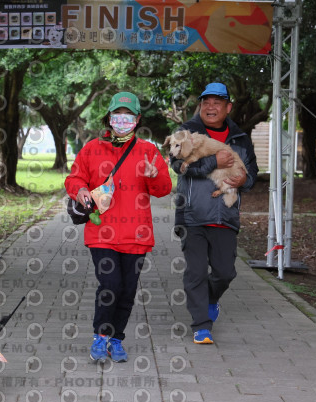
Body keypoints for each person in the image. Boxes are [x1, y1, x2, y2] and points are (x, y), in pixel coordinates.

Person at [65, 92, 172, 362]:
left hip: (137, 234)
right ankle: (101, 336)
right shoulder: (92, 148)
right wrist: (80, 190)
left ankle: (116, 339)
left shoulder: (148, 151)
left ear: (137, 119)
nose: (122, 120)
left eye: (128, 115)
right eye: (117, 115)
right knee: (110, 284)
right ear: (109, 118)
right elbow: (74, 178)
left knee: (127, 290)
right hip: (101, 232)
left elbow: (163, 189)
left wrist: (154, 175)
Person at [170, 82, 258, 345]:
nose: (210, 107)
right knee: (196, 272)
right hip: (192, 216)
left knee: (225, 272)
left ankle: (209, 299)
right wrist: (213, 162)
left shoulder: (240, 138)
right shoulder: (186, 132)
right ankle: (201, 326)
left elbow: (252, 175)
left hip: (225, 216)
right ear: (200, 106)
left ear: (228, 107)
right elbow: (178, 165)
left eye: (217, 102)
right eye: (206, 102)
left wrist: (244, 180)